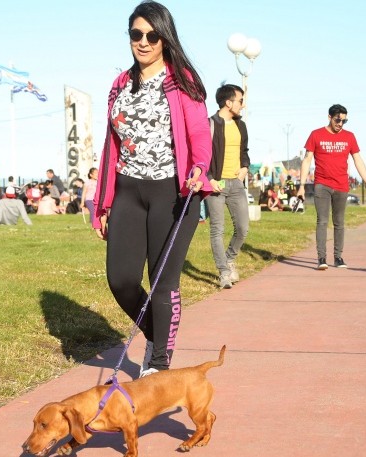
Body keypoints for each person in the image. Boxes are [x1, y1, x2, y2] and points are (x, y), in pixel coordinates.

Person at [91, 0, 211, 377]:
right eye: (136, 34)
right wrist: (103, 201)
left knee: (162, 282)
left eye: (151, 35)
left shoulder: (182, 81)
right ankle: (158, 336)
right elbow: (111, 145)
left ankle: (158, 365)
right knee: (122, 279)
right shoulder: (120, 84)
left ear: (164, 37)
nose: (143, 42)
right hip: (128, 192)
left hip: (172, 194)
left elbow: (198, 134)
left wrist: (199, 167)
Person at [296, 104, 366, 270]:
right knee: (322, 221)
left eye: (344, 121)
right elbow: (307, 160)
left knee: (339, 222)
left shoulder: (349, 137)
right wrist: (302, 185)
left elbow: (358, 160)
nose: (340, 123)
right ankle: (321, 258)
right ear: (329, 117)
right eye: (338, 120)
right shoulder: (316, 135)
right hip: (321, 185)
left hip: (341, 185)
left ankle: (338, 257)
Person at [207, 83, 251, 288]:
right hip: (216, 184)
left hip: (236, 184)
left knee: (242, 228)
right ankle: (224, 272)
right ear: (228, 102)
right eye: (240, 101)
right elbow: (201, 155)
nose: (242, 105)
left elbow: (245, 152)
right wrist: (209, 179)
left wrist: (245, 168)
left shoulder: (241, 125)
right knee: (217, 230)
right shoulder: (210, 124)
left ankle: (230, 258)